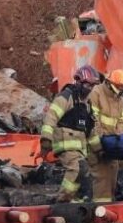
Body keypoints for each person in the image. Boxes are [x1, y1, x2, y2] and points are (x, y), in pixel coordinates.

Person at [40, 65, 100, 202]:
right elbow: (51, 116)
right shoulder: (66, 97)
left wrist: (99, 150)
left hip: (79, 148)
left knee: (83, 173)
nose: (89, 88)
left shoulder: (87, 105)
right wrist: (46, 140)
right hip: (64, 143)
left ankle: (73, 201)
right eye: (87, 85)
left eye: (92, 86)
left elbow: (91, 130)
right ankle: (61, 202)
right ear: (78, 81)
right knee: (76, 168)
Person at [88, 69, 123, 203]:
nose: (122, 90)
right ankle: (101, 211)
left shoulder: (120, 99)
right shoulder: (96, 93)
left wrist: (120, 141)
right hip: (98, 144)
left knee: (112, 177)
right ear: (111, 84)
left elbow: (122, 121)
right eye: (120, 87)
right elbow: (93, 122)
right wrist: (100, 146)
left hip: (113, 145)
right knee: (102, 178)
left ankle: (110, 208)